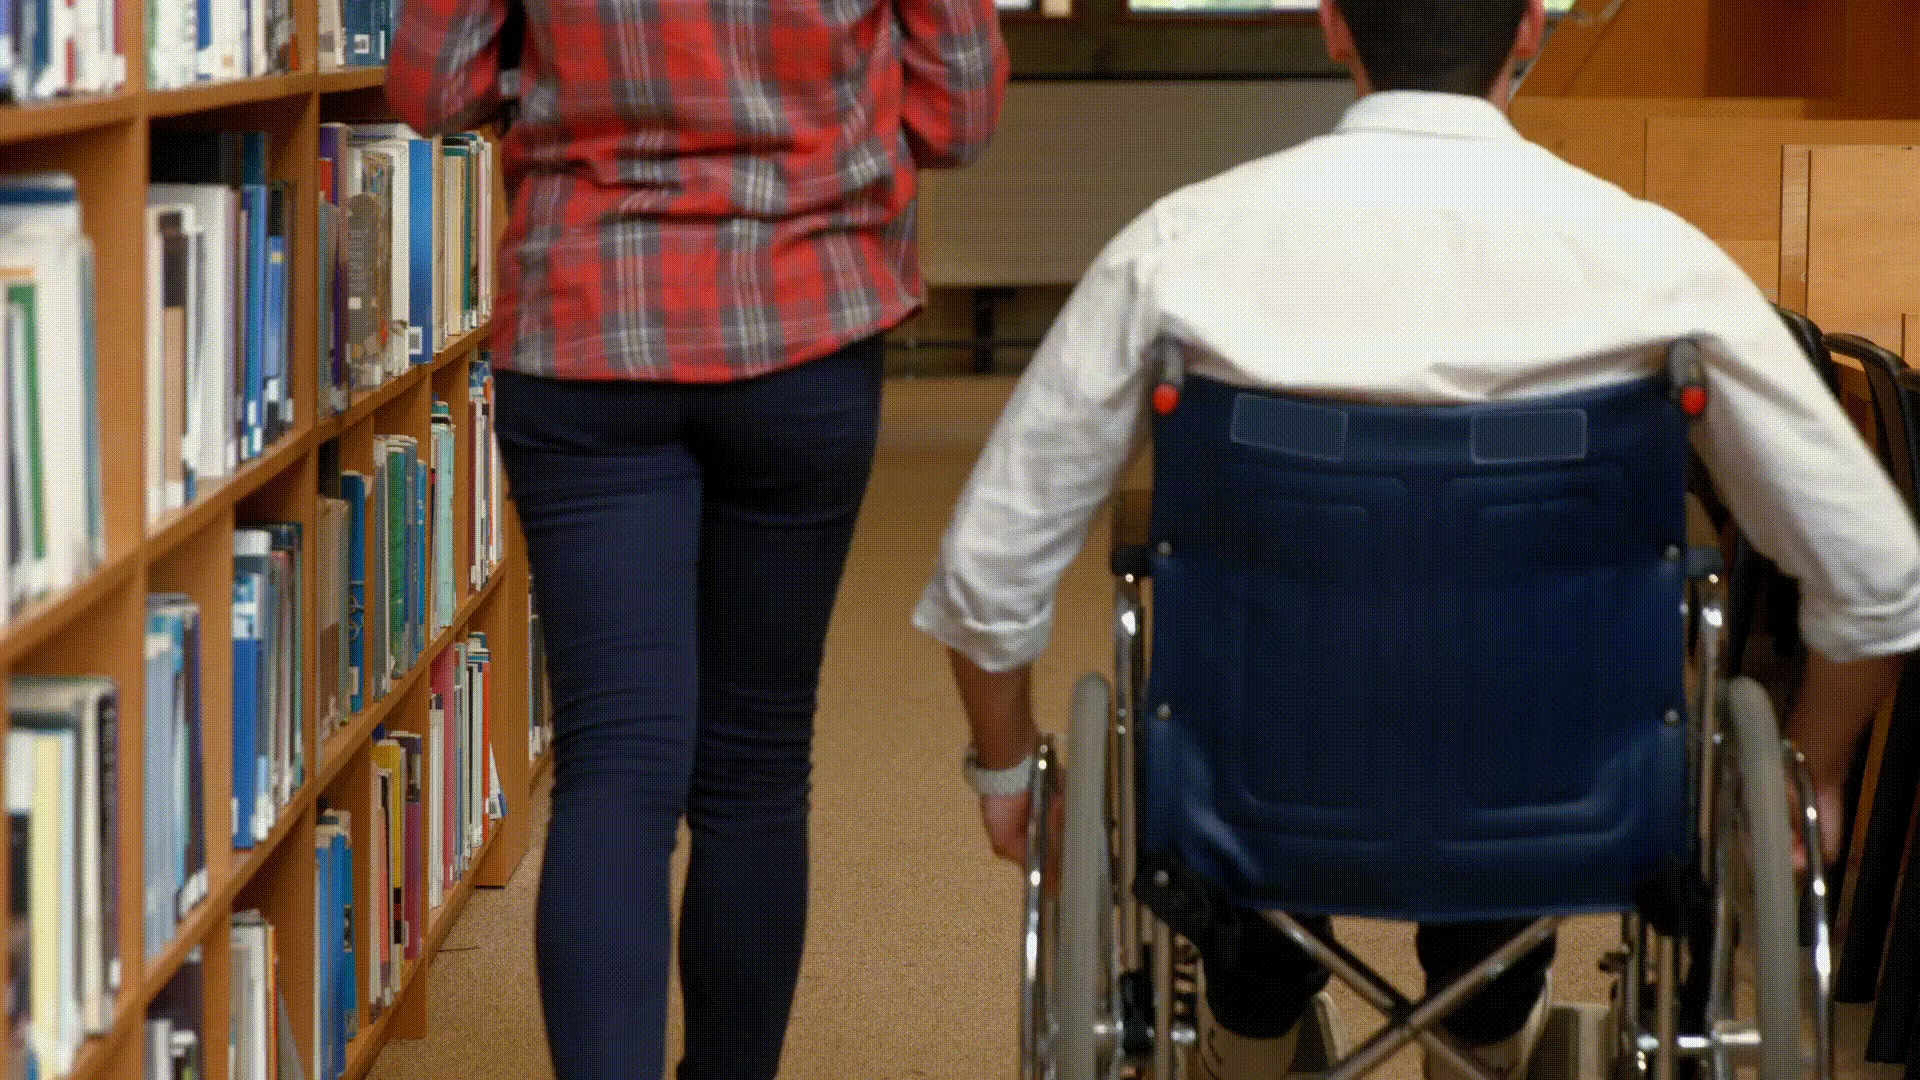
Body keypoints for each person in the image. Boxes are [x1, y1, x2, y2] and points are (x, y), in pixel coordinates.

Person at [912, 1, 1920, 1078]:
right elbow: (1879, 573)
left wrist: (1008, 773)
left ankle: (1252, 1019)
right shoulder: (1654, 260)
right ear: (1528, 30)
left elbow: (989, 568)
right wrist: (1811, 779)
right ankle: (1487, 1020)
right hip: (1564, 794)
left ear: (1332, 25)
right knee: (1517, 704)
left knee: (1274, 722)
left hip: (1257, 784)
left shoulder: (1180, 248)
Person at [385, 0, 1008, 1073]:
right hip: (806, 324)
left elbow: (430, 87)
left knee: (613, 767)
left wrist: (554, 84)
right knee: (757, 761)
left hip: (587, 326)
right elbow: (960, 115)